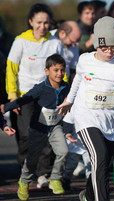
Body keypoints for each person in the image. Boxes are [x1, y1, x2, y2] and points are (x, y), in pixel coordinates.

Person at [57, 16, 114, 201]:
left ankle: (88, 195)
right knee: (100, 155)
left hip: (109, 123)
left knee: (103, 164)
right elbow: (78, 80)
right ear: (96, 44)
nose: (108, 51)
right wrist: (70, 100)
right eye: (104, 47)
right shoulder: (84, 60)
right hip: (86, 117)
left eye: (113, 47)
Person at [5, 3, 63, 186]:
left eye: (46, 23)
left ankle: (43, 174)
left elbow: (63, 69)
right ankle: (26, 171)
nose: (42, 26)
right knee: (26, 135)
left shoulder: (55, 42)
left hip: (48, 96)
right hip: (25, 96)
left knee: (47, 135)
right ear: (31, 21)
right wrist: (12, 95)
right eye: (38, 22)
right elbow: (11, 70)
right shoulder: (20, 41)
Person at [1, 54, 69, 200]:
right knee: (32, 158)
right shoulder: (40, 88)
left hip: (55, 127)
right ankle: (24, 181)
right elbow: (24, 99)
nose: (59, 74)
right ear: (46, 71)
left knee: (63, 151)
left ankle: (55, 178)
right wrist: (6, 107)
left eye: (62, 70)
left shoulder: (66, 88)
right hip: (38, 128)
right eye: (55, 70)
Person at [62, 111, 91, 191]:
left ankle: (90, 186)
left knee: (90, 167)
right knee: (70, 166)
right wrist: (68, 133)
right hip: (75, 143)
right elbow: (68, 121)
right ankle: (65, 181)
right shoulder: (74, 107)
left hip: (89, 144)